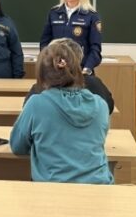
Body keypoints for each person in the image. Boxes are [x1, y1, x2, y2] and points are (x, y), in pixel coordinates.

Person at [9, 39, 112, 184]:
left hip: (52, 187)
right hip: (99, 185)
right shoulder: (101, 104)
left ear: (42, 75)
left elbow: (17, 147)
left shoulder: (36, 104)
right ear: (77, 70)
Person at [22, 38, 115, 115]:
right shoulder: (94, 83)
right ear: (78, 58)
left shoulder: (40, 88)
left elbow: (26, 113)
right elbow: (109, 107)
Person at [39, 0, 103, 75]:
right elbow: (44, 43)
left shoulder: (91, 15)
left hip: (80, 71)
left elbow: (95, 49)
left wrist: (87, 69)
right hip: (56, 71)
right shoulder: (54, 13)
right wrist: (49, 62)